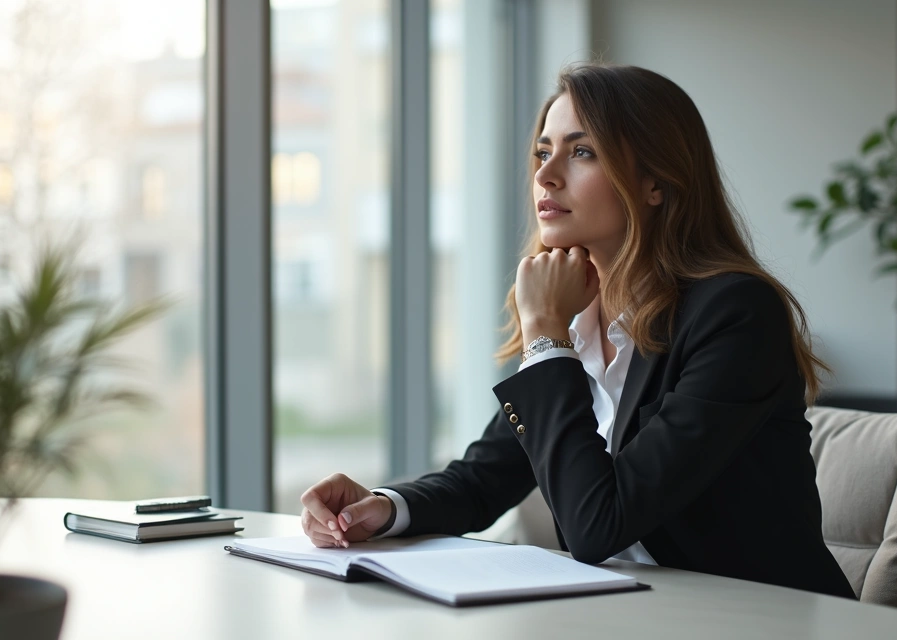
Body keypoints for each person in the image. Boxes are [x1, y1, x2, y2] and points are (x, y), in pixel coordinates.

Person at [299, 63, 856, 599]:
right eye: (544, 151)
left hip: (752, 620)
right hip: (630, 612)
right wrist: (382, 508)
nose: (545, 174)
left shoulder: (735, 313)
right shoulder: (580, 316)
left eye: (581, 151)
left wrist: (545, 335)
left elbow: (598, 526)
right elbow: (485, 478)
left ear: (656, 182)